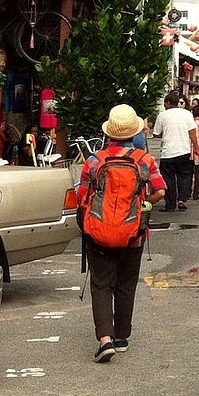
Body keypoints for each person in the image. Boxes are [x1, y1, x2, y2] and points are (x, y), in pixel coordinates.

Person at [78, 104, 165, 363]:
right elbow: (161, 190)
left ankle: (105, 339)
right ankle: (122, 337)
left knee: (101, 284)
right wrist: (141, 203)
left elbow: (83, 196)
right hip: (133, 234)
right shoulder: (144, 161)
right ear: (133, 133)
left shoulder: (95, 161)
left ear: (109, 133)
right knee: (126, 284)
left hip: (98, 232)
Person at [150, 90, 198, 211]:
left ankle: (170, 204)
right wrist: (196, 147)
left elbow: (156, 133)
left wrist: (166, 133)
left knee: (168, 179)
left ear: (168, 103)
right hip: (184, 151)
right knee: (185, 176)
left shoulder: (162, 115)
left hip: (168, 152)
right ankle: (182, 199)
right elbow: (192, 132)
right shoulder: (187, 114)